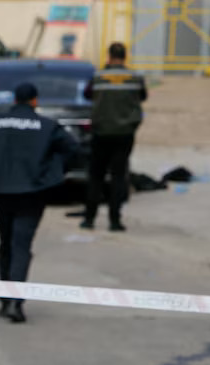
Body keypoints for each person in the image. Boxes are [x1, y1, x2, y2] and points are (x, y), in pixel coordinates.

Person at [0, 82, 81, 324]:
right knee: (21, 245)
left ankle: (6, 298)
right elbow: (73, 149)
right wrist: (52, 170)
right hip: (33, 192)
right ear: (35, 101)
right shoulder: (47, 126)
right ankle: (16, 301)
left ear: (15, 99)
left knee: (6, 242)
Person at [80, 42, 147, 233]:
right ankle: (115, 221)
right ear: (125, 57)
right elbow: (142, 97)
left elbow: (87, 94)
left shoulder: (98, 76)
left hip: (100, 132)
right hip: (124, 133)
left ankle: (89, 219)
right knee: (119, 176)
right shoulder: (134, 78)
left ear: (109, 56)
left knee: (96, 176)